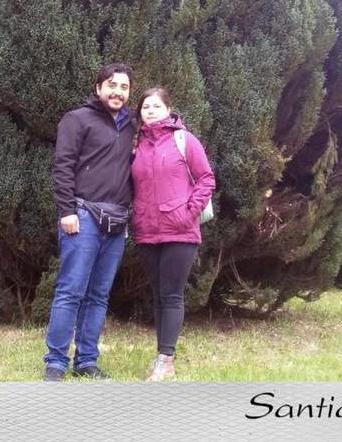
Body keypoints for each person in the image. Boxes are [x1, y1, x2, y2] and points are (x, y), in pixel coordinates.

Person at [43, 62, 136, 382]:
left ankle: (86, 360)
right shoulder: (77, 119)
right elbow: (63, 167)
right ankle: (55, 362)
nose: (118, 92)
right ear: (98, 88)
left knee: (98, 295)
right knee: (70, 291)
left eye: (124, 87)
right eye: (112, 85)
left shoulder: (131, 125)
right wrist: (66, 211)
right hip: (82, 217)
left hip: (117, 221)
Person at [131, 87, 215, 381]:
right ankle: (161, 357)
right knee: (157, 295)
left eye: (155, 106)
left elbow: (206, 179)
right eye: (145, 107)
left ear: (168, 109)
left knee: (172, 294)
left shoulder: (184, 140)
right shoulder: (135, 144)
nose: (150, 110)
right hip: (146, 231)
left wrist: (188, 211)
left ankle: (166, 359)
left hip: (180, 231)